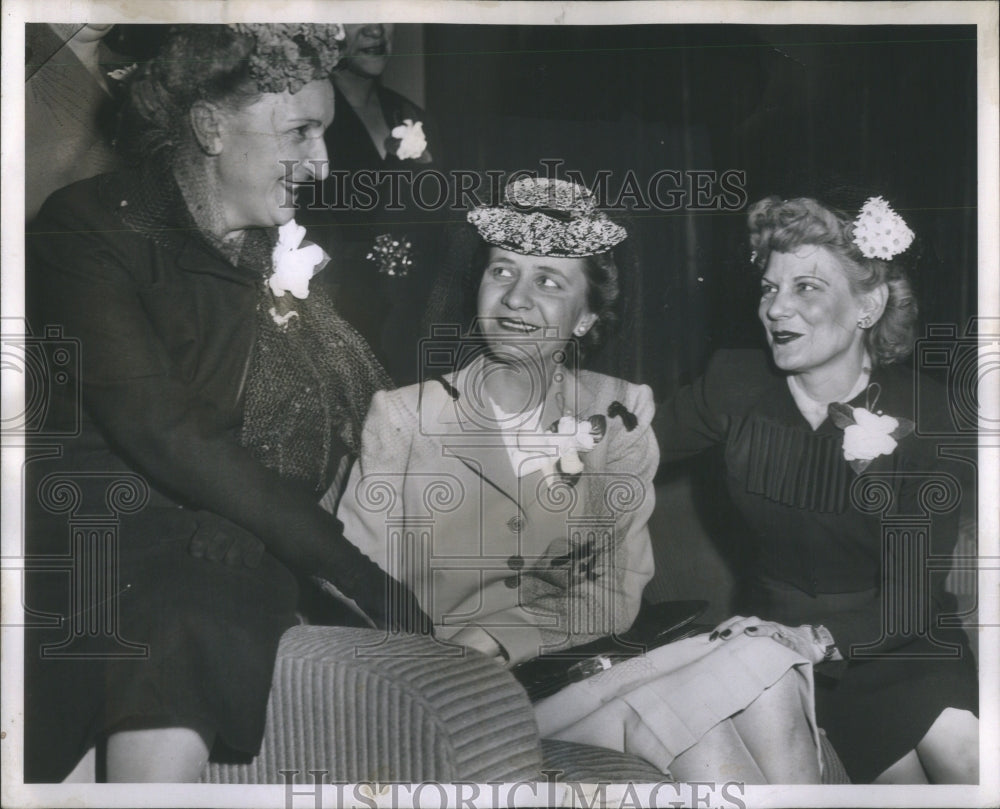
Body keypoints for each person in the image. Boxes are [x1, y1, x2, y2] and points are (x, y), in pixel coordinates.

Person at [25, 23, 427, 783]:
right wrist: (360, 577)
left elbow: (311, 417)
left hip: (206, 541)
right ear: (209, 127)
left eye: (326, 132)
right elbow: (162, 427)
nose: (323, 163)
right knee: (187, 606)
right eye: (300, 132)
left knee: (216, 595)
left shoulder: (275, 254)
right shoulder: (88, 228)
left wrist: (241, 516)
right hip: (81, 530)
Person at [337, 177, 823, 783]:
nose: (515, 299)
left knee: (762, 675)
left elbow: (613, 592)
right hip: (445, 693)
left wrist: (496, 637)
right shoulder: (403, 417)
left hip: (568, 672)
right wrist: (454, 659)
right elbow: (354, 588)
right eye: (502, 272)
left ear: (587, 314)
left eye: (548, 281)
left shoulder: (617, 414)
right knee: (711, 720)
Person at [654, 194, 979, 783]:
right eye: (768, 288)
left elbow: (909, 603)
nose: (777, 310)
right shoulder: (733, 382)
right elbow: (629, 454)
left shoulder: (930, 413)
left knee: (967, 756)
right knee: (898, 786)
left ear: (868, 305)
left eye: (806, 288)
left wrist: (818, 640)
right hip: (785, 650)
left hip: (903, 642)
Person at [298, 23, 444, 384]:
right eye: (358, 12)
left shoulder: (410, 114)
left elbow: (436, 220)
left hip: (409, 315)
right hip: (333, 312)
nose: (376, 29)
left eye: (385, 12)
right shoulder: (304, 121)